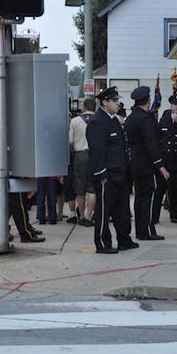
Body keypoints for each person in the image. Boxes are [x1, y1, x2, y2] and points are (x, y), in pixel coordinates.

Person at [86, 86, 139, 254]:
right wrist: (101, 173)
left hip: (120, 173)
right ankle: (103, 243)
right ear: (104, 102)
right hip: (107, 175)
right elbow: (97, 150)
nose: (118, 103)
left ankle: (124, 239)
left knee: (122, 210)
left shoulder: (113, 120)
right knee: (104, 210)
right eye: (115, 100)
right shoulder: (97, 121)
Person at [124, 86, 170, 241]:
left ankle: (140, 230)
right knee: (149, 197)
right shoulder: (146, 119)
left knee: (140, 197)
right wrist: (160, 165)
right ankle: (148, 230)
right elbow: (152, 143)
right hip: (148, 165)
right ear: (148, 100)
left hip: (135, 164)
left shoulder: (130, 118)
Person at [158, 92, 177, 223]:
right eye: (175, 104)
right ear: (171, 105)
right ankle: (154, 216)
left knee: (175, 190)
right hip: (164, 160)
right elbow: (158, 140)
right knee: (160, 190)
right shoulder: (163, 120)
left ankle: (174, 213)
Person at [69, 98, 97, 227]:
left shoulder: (75, 121)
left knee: (80, 188)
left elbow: (70, 141)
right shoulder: (99, 120)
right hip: (95, 155)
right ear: (94, 107)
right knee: (92, 188)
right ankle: (89, 216)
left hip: (80, 155)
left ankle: (80, 215)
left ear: (83, 107)